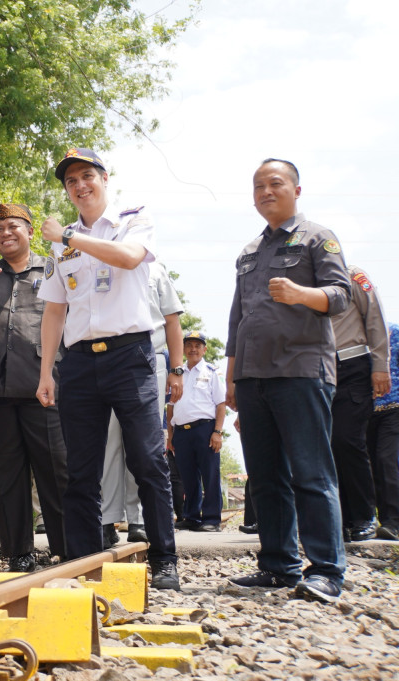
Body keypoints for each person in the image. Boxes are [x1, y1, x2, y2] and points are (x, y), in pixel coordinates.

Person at [36, 148, 180, 590]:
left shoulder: (131, 220)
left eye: (87, 176)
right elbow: (54, 310)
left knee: (147, 460)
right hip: (79, 362)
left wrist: (68, 236)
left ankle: (165, 559)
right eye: (71, 181)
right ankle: (82, 564)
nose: (80, 186)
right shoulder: (61, 244)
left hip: (129, 356)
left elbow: (130, 257)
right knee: (81, 469)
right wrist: (46, 372)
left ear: (104, 178)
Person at [225, 158, 351, 604]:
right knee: (265, 477)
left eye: (275, 183)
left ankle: (327, 571)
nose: (265, 192)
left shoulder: (318, 237)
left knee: (311, 473)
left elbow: (341, 295)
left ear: (296, 190)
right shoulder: (248, 252)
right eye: (258, 186)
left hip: (301, 370)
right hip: (253, 375)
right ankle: (278, 566)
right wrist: (232, 377)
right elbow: (237, 317)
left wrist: (302, 295)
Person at [0, 203, 68, 572]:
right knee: (6, 473)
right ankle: (18, 552)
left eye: (13, 227)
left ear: (30, 231)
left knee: (56, 468)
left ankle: (68, 547)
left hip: (43, 384)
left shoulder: (52, 267)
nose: (5, 234)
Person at [101, 261, 183, 548]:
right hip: (105, 358)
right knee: (109, 442)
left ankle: (137, 519)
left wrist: (177, 368)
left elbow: (172, 320)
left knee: (142, 444)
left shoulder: (156, 268)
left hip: (150, 357)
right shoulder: (97, 260)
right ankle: (107, 519)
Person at [328, 265, 390, 542]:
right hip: (316, 371)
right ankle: (340, 520)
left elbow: (374, 317)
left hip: (352, 365)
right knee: (327, 447)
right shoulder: (304, 280)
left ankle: (364, 516)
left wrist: (380, 365)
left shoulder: (351, 275)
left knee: (348, 441)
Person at [167, 331, 226, 532]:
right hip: (181, 432)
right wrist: (171, 434)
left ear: (204, 349)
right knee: (187, 476)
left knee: (210, 475)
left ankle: (212, 519)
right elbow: (170, 406)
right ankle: (191, 516)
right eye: (189, 345)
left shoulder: (212, 372)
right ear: (183, 348)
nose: (193, 349)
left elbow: (220, 404)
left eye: (197, 345)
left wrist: (217, 432)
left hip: (205, 429)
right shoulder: (177, 373)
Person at [368, 323, 399, 540]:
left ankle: (393, 523)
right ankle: (373, 520)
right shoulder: (353, 338)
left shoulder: (395, 333)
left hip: (394, 408)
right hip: (363, 411)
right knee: (370, 466)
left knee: (386, 460)